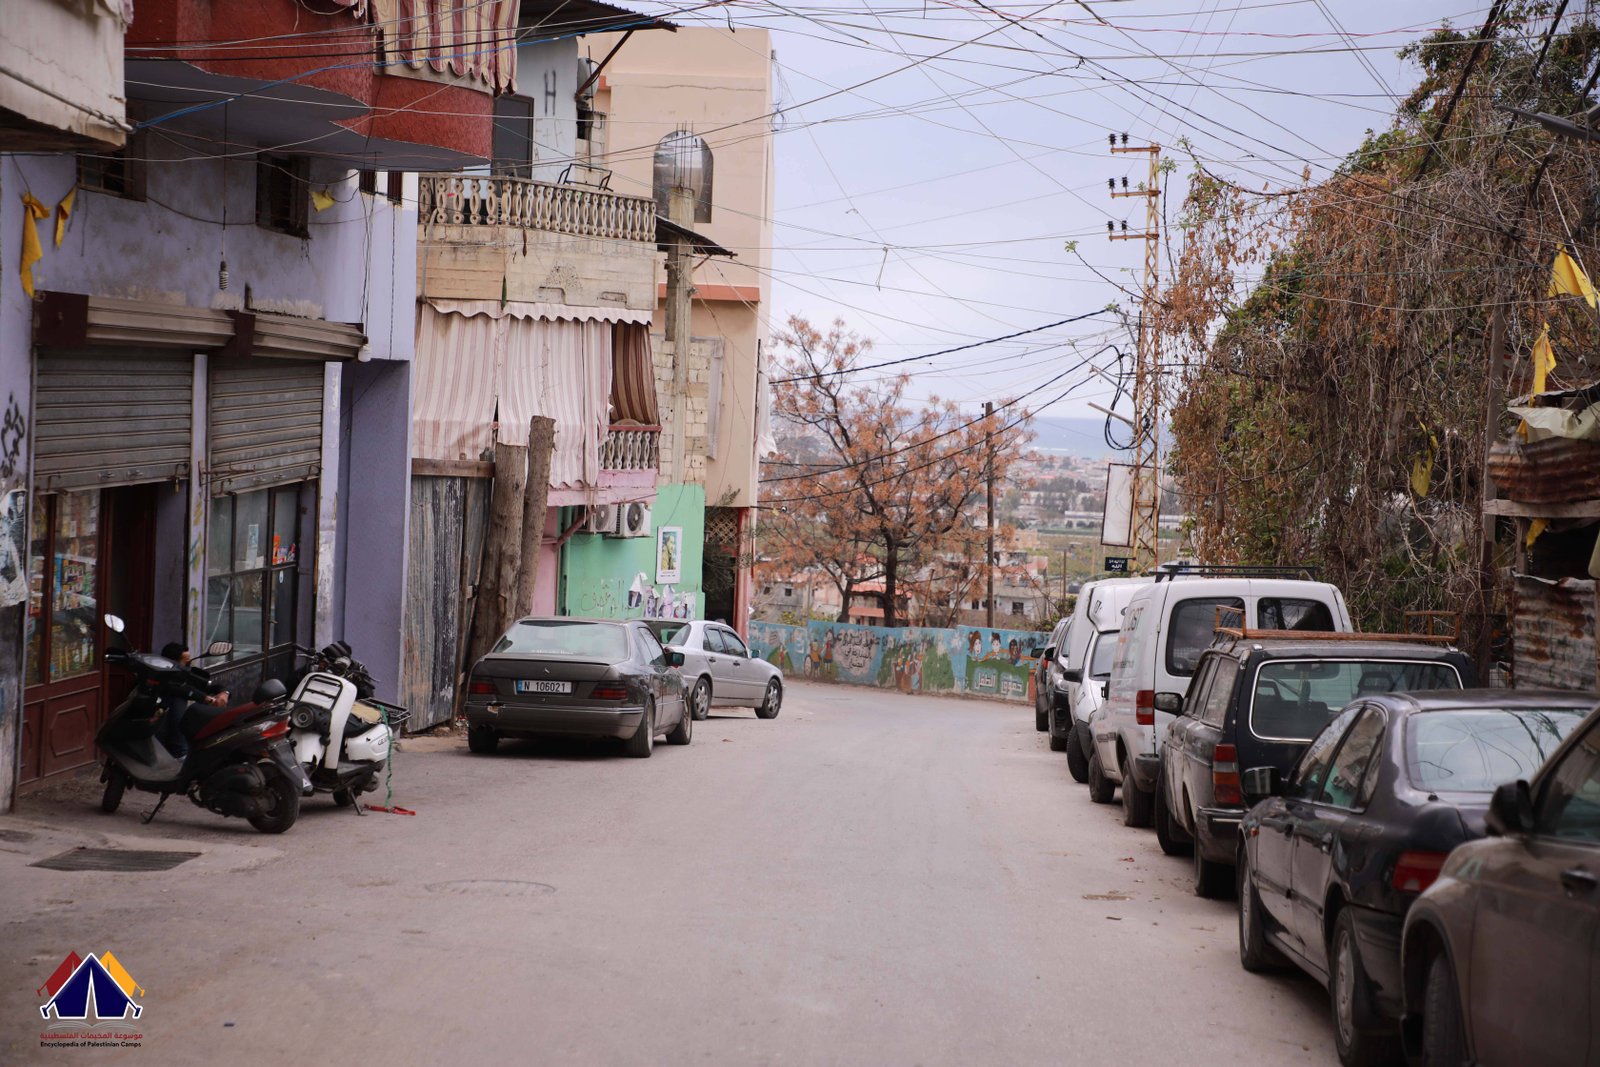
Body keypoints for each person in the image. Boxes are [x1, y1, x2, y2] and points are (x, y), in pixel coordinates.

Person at [155, 642, 228, 763]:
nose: (188, 664)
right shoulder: (160, 677)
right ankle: (179, 752)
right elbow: (179, 689)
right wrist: (205, 698)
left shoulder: (186, 675)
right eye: (185, 661)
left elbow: (211, 686)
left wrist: (224, 693)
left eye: (188, 660)